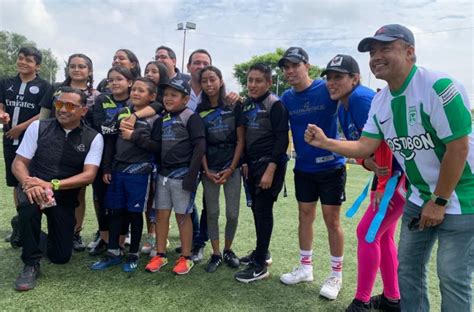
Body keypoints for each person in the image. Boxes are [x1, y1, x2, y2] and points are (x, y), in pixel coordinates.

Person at [304, 24, 474, 312]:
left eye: (385, 48)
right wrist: (325, 142)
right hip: (418, 197)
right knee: (408, 272)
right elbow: (364, 146)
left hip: (462, 197)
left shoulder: (438, 86)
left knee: (452, 276)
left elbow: (459, 148)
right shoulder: (381, 101)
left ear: (410, 52)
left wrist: (440, 200)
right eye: (373, 51)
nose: (376, 56)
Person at [321, 54, 405, 312]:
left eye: (339, 77)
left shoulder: (360, 98)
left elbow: (387, 136)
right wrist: (367, 164)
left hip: (395, 177)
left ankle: (362, 301)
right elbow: (361, 150)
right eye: (329, 78)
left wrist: (381, 185)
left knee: (367, 234)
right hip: (387, 175)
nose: (332, 83)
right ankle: (392, 299)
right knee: (383, 235)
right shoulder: (345, 105)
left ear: (355, 79)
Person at [11, 86, 103, 291]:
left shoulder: (93, 137)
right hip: (33, 187)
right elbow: (19, 163)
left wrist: (53, 185)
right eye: (59, 104)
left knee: (60, 257)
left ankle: (22, 229)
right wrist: (28, 182)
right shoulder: (38, 127)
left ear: (83, 111)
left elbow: (89, 175)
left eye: (70, 105)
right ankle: (31, 263)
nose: (62, 109)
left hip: (63, 195)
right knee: (29, 207)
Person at [278, 47, 346, 300]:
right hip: (303, 167)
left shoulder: (326, 89)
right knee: (304, 216)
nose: (290, 71)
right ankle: (306, 268)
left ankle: (335, 275)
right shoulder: (286, 97)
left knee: (332, 221)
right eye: (286, 67)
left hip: (331, 167)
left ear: (307, 65)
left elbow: (350, 101)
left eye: (295, 65)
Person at [90, 78, 160, 272]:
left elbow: (157, 147)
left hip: (140, 172)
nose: (136, 93)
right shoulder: (122, 112)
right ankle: (113, 251)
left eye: (142, 90)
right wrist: (106, 168)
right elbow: (110, 142)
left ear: (152, 96)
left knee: (134, 213)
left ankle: (133, 254)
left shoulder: (156, 118)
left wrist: (134, 137)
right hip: (118, 170)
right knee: (115, 211)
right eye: (134, 89)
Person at [39, 53, 100, 252]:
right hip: (55, 144)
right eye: (72, 66)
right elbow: (44, 118)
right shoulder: (56, 89)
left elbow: (98, 123)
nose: (76, 69)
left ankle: (75, 233)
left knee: (79, 192)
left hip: (83, 146)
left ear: (89, 71)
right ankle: (32, 228)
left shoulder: (96, 95)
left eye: (81, 66)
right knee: (45, 186)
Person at [144, 78, 205, 275]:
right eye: (166, 94)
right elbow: (156, 146)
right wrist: (137, 138)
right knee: (161, 216)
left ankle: (186, 257)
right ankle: (160, 254)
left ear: (186, 99)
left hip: (183, 175)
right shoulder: (161, 119)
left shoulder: (191, 117)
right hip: (162, 175)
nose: (168, 98)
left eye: (174, 95)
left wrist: (192, 175)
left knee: (182, 217)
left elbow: (200, 147)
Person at [234, 63, 289, 283]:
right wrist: (245, 162)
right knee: (257, 209)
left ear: (268, 82)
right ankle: (261, 253)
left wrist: (271, 169)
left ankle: (260, 267)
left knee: (264, 210)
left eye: (259, 81)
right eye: (250, 80)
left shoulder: (275, 105)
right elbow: (244, 137)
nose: (253, 85)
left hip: (270, 166)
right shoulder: (246, 105)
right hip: (253, 166)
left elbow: (282, 139)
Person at [0, 47, 53, 247]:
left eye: (29, 60)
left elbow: (43, 114)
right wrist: (2, 115)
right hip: (9, 139)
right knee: (17, 182)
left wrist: (20, 128)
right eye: (21, 58)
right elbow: (1, 105)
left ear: (37, 66)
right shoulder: (6, 83)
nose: (23, 62)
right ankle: (22, 224)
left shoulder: (44, 86)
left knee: (34, 180)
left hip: (31, 141)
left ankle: (37, 224)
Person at [197, 66, 244, 273]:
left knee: (232, 214)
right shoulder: (200, 111)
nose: (209, 84)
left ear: (221, 81)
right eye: (204, 81)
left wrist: (232, 167)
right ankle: (215, 254)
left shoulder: (234, 106)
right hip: (210, 169)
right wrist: (206, 170)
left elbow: (241, 140)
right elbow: (201, 144)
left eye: (212, 79)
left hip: (231, 168)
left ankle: (227, 249)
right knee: (213, 212)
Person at [88, 66, 134, 256]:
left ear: (129, 82)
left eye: (119, 79)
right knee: (102, 199)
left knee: (122, 202)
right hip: (102, 157)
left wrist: (113, 128)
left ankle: (121, 241)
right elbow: (100, 127)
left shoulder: (136, 102)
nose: (114, 83)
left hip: (127, 159)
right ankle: (105, 239)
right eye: (111, 80)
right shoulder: (101, 100)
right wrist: (118, 127)